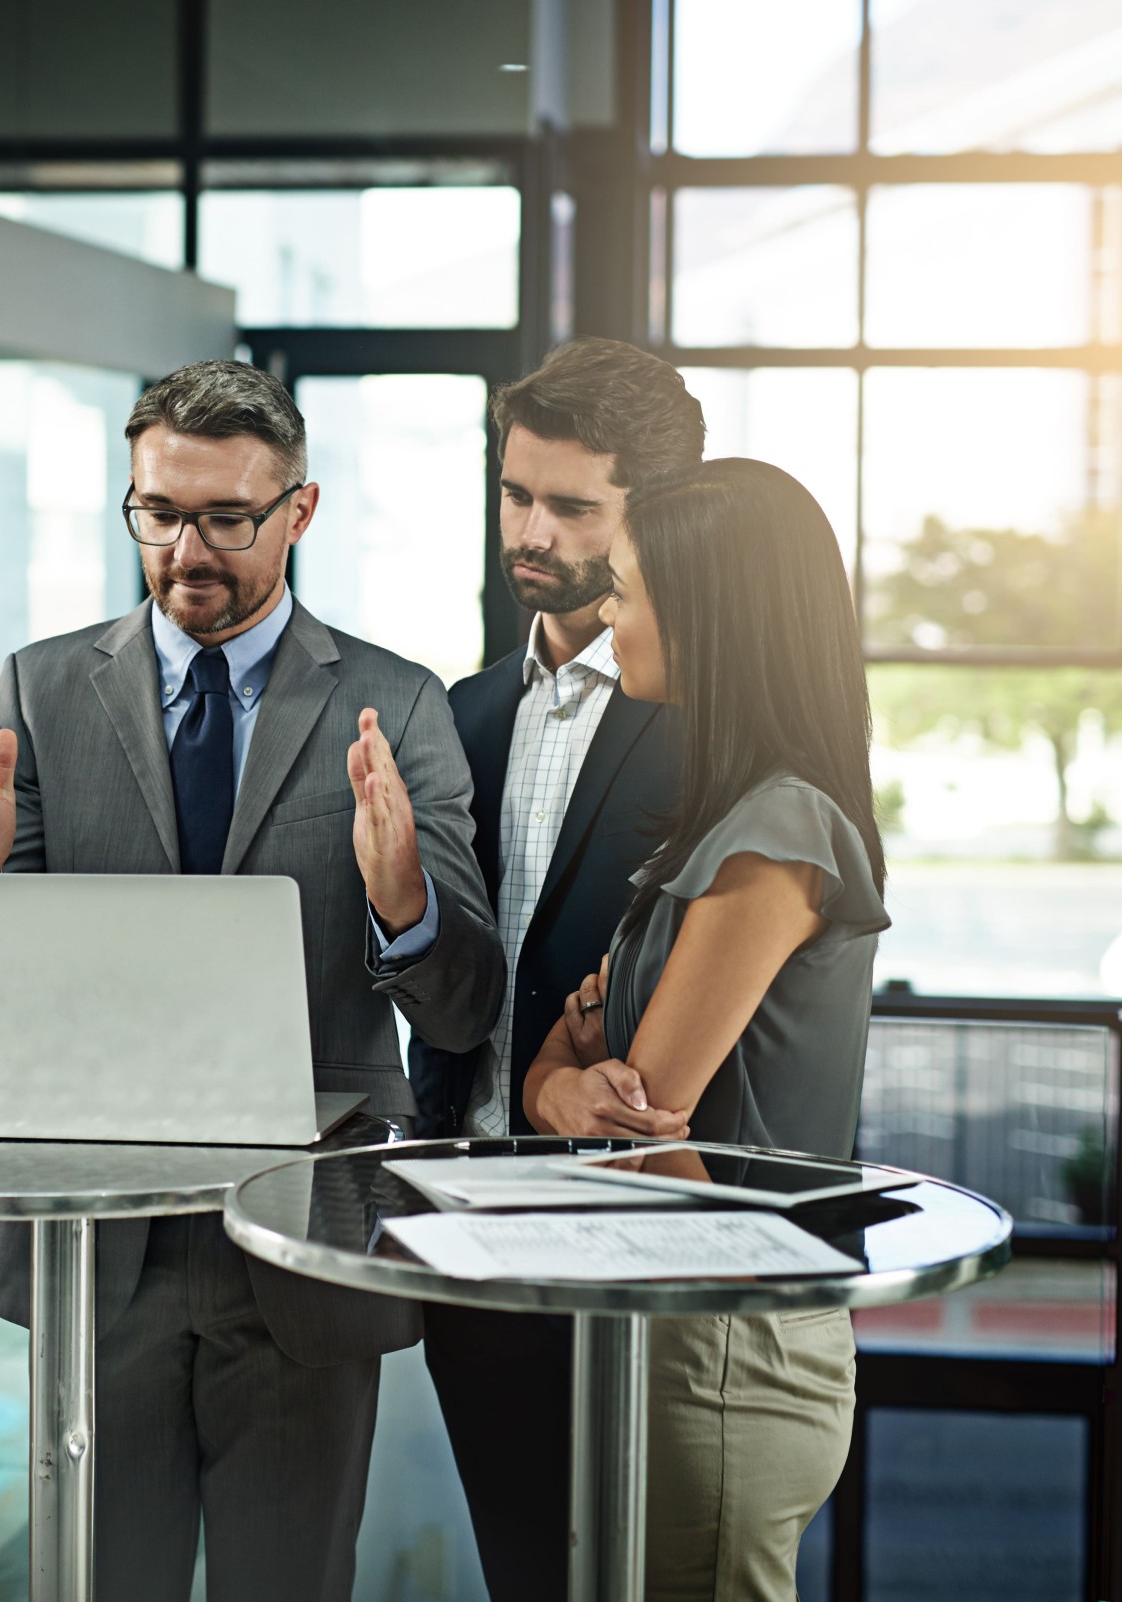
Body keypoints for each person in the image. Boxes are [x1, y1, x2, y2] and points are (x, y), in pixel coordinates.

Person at [0, 360, 503, 1602]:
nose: (189, 550)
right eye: (157, 513)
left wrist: (402, 898)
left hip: (304, 1243)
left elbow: (463, 1009)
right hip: (100, 1238)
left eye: (227, 519)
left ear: (298, 510)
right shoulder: (43, 688)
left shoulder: (393, 705)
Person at [528, 456, 890, 1602]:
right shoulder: (716, 828)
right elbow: (566, 1063)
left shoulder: (776, 830)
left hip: (726, 1333)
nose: (606, 614)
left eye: (626, 590)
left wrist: (591, 1091)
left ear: (710, 616)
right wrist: (566, 1089)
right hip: (684, 1312)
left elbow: (639, 1121)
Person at [410, 337, 699, 1600]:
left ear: (655, 519)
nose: (531, 531)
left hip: (644, 1221)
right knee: (520, 1570)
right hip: (471, 1219)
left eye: (572, 507)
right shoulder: (462, 713)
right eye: (517, 494)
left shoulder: (700, 720)